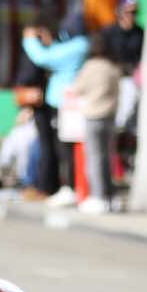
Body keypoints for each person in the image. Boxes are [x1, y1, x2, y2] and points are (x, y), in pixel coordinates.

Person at [22, 15, 89, 202]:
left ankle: (70, 187)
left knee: (65, 147)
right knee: (61, 146)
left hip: (67, 105)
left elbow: (44, 57)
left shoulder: (78, 46)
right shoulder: (77, 45)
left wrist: (29, 40)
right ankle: (70, 186)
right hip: (66, 103)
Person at [72, 37, 124, 213]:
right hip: (109, 116)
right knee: (108, 157)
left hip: (93, 115)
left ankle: (98, 196)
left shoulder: (89, 67)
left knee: (94, 158)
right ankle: (110, 196)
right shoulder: (113, 68)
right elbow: (118, 90)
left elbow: (78, 88)